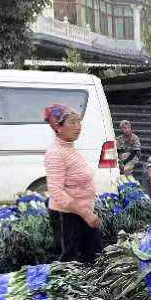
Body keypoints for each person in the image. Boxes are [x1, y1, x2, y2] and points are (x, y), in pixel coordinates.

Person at [43, 104, 103, 263]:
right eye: (72, 122)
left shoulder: (69, 148)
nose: (78, 127)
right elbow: (57, 193)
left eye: (78, 122)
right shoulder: (56, 153)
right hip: (67, 218)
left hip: (81, 214)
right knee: (71, 263)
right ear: (58, 127)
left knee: (93, 259)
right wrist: (86, 214)